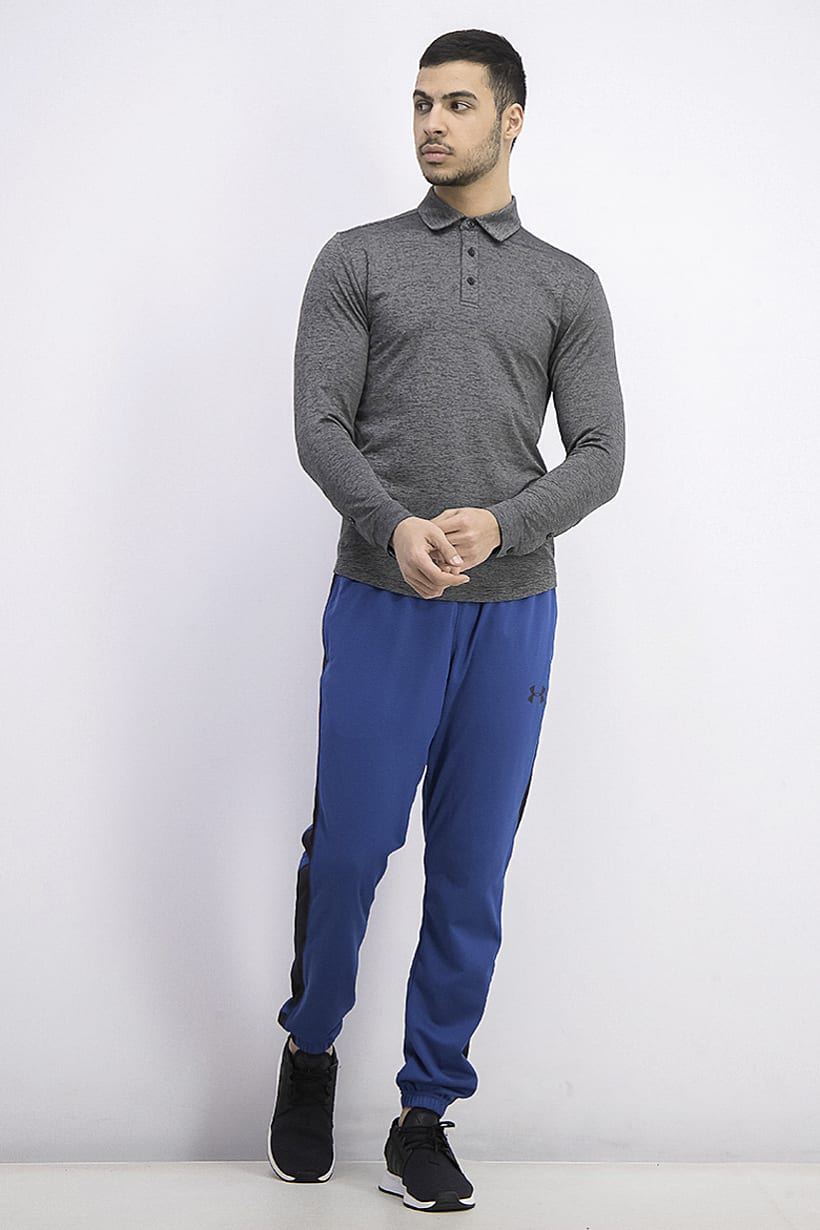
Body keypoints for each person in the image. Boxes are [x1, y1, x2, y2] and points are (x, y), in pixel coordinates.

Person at [267, 28, 625, 1214]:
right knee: (351, 851)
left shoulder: (566, 284)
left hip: (512, 615)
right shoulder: (356, 259)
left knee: (471, 871)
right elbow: (319, 424)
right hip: (383, 601)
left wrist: (505, 523)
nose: (431, 122)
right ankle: (311, 1046)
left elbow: (600, 452)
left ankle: (424, 1112)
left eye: (458, 104)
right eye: (421, 102)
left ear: (510, 120)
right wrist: (393, 526)